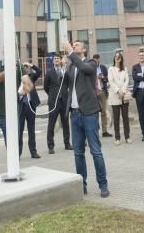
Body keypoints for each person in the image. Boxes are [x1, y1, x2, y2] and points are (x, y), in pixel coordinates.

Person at [63, 39, 109, 197]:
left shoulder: (90, 63)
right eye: (72, 45)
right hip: (75, 113)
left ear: (83, 50)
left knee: (95, 151)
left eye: (76, 45)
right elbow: (65, 87)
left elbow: (83, 68)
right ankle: (81, 185)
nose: (73, 46)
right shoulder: (71, 66)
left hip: (89, 112)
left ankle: (103, 184)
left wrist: (70, 53)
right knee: (78, 153)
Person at [44, 53, 72, 154]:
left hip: (64, 101)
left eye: (58, 58)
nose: (56, 60)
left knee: (65, 123)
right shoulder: (49, 72)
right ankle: (50, 146)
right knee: (51, 124)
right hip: (53, 102)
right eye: (54, 58)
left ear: (61, 60)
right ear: (53, 61)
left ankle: (67, 143)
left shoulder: (65, 71)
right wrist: (52, 95)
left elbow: (69, 83)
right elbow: (46, 87)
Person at [17, 62, 41, 159]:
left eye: (27, 67)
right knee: (20, 130)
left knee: (31, 130)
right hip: (21, 106)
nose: (26, 69)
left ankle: (33, 152)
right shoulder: (17, 79)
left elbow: (39, 71)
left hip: (31, 106)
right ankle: (18, 153)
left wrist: (31, 65)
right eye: (24, 67)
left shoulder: (31, 77)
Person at [107, 50, 132, 145]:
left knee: (125, 117)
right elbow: (111, 81)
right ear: (114, 58)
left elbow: (127, 80)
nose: (117, 58)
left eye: (119, 57)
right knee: (116, 118)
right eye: (116, 57)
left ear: (121, 59)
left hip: (124, 96)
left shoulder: (124, 69)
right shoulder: (111, 69)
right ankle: (117, 138)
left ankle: (127, 137)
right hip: (115, 96)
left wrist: (123, 91)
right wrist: (118, 91)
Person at [92, 53, 112, 137]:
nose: (96, 61)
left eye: (97, 59)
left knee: (103, 111)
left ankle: (104, 131)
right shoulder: (90, 68)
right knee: (94, 112)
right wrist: (96, 77)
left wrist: (103, 77)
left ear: (99, 59)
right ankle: (95, 131)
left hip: (102, 91)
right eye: (94, 60)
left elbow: (108, 78)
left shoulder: (103, 67)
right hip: (94, 92)